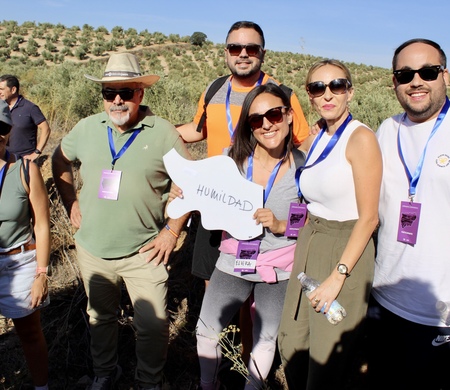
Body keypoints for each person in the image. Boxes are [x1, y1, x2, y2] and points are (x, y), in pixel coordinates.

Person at [51, 53, 191, 390]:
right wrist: (70, 201)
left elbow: (189, 183)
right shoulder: (87, 128)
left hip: (145, 253)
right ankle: (105, 373)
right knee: (100, 319)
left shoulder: (163, 133)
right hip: (92, 248)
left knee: (153, 326)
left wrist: (172, 230)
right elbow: (60, 158)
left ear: (141, 93)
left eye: (126, 92)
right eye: (109, 92)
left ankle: (149, 381)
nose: (117, 100)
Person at [179, 83, 302, 390]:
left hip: (279, 268)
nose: (266, 124)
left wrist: (280, 225)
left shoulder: (305, 166)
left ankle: (254, 386)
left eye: (274, 114)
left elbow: (310, 222)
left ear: (288, 116)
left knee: (265, 338)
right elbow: (200, 192)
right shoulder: (229, 160)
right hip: (233, 261)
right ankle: (210, 384)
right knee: (206, 333)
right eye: (256, 119)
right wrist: (185, 194)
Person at [177, 20, 310, 285]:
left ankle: (246, 328)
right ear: (226, 52)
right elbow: (198, 129)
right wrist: (158, 132)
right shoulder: (215, 89)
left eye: (251, 47)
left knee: (255, 281)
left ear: (263, 53)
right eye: (235, 47)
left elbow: (302, 144)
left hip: (260, 204)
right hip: (216, 198)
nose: (243, 53)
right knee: (213, 278)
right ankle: (219, 327)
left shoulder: (280, 94)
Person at [278, 59, 382, 389]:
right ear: (309, 95)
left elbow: (369, 218)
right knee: (293, 342)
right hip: (311, 240)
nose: (327, 94)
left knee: (326, 360)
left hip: (345, 246)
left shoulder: (360, 138)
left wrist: (338, 276)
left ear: (349, 92)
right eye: (317, 88)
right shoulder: (317, 135)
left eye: (336, 86)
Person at [366, 38, 450, 390]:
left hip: (439, 312)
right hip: (383, 298)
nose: (416, 81)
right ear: (394, 82)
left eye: (427, 72)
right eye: (405, 74)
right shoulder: (386, 131)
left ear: (445, 75)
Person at [0, 99, 51, 389]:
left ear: (8, 132)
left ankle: (41, 386)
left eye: (1, 128)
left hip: (18, 262)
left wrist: (41, 274)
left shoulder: (24, 170)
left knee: (30, 334)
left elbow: (42, 225)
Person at [0, 74, 51, 160]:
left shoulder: (30, 108)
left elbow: (46, 129)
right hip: (3, 159)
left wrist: (36, 153)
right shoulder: (1, 108)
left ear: (13, 90)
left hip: (23, 160)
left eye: (1, 89)